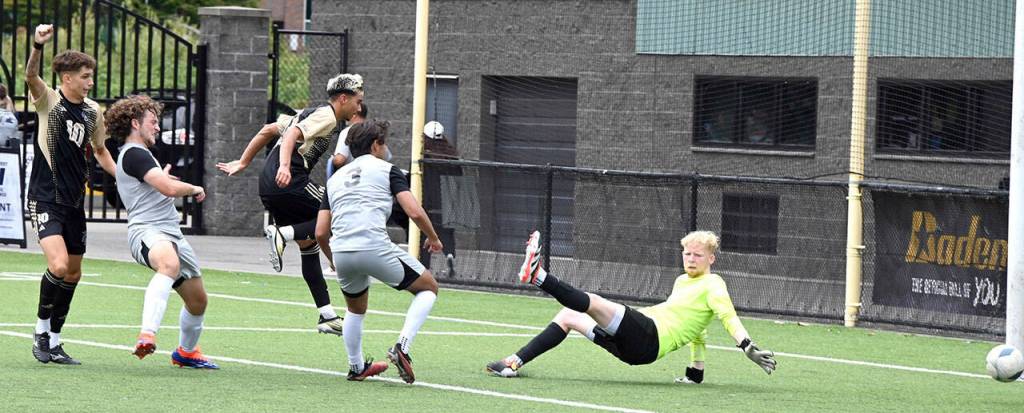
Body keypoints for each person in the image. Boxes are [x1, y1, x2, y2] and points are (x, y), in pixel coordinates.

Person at [485, 230, 777, 384]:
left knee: (594, 302)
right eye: (687, 253)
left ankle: (538, 277)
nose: (690, 259)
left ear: (711, 258)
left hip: (650, 336)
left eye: (698, 255)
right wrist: (695, 372)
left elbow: (728, 316)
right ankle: (512, 364)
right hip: (634, 350)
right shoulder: (682, 281)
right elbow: (698, 331)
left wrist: (746, 344)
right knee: (568, 317)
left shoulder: (714, 285)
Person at [215, 73, 364, 336]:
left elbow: (269, 129)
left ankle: (327, 315)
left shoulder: (305, 113)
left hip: (270, 183)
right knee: (335, 212)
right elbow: (292, 134)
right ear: (343, 98)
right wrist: (285, 166)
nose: (359, 107)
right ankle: (282, 234)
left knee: (309, 245)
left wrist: (244, 162)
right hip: (289, 179)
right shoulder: (327, 115)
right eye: (358, 101)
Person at [315, 119, 443, 384]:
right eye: (385, 143)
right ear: (376, 145)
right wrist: (433, 238)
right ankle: (403, 347)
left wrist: (332, 260)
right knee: (428, 287)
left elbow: (320, 232)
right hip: (373, 245)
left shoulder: (335, 178)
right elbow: (414, 211)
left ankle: (356, 366)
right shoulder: (389, 170)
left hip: (341, 250)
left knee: (355, 309)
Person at [26, 23, 117, 365]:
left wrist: (124, 176)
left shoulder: (94, 111)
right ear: (67, 78)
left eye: (91, 76)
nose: (90, 82)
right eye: (85, 76)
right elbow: (31, 75)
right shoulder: (49, 100)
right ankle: (39, 331)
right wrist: (38, 44)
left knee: (74, 273)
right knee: (59, 265)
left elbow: (101, 151)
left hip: (74, 201)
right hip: (45, 197)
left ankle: (56, 340)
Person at [107, 95, 217, 369]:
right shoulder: (134, 153)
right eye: (153, 122)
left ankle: (186, 353)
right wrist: (193, 188)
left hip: (170, 232)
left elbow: (159, 184)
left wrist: (164, 176)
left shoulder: (142, 156)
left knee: (198, 301)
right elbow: (167, 189)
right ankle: (147, 333)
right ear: (135, 124)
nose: (158, 127)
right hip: (147, 231)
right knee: (168, 264)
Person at [420, 121, 459, 276]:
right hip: (448, 202)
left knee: (424, 232)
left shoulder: (425, 157)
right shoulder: (452, 156)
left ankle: (424, 267)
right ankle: (449, 255)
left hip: (428, 202)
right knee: (447, 232)